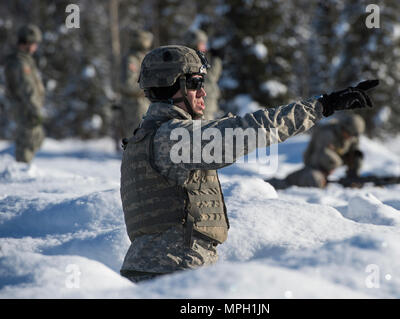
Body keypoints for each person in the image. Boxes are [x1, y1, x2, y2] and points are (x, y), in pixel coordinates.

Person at [119, 45, 378, 283]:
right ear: (169, 85)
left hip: (157, 271)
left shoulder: (148, 136)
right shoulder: (174, 139)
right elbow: (254, 129)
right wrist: (323, 105)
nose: (203, 91)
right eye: (195, 82)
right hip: (174, 272)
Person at [266, 113, 366, 189]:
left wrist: (354, 172)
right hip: (314, 168)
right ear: (343, 128)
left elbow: (355, 154)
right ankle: (263, 185)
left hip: (328, 172)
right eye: (349, 133)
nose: (350, 137)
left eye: (353, 135)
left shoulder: (351, 137)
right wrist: (342, 160)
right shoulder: (327, 133)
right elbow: (324, 156)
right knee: (301, 181)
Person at [4, 24, 45, 163]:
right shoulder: (20, 63)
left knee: (32, 140)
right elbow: (28, 89)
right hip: (26, 109)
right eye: (35, 44)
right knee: (27, 143)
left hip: (26, 108)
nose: (36, 47)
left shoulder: (23, 60)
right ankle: (22, 172)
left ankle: (23, 169)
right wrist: (35, 110)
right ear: (27, 43)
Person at [118, 29, 153, 138]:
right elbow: (128, 84)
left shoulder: (142, 56)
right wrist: (150, 89)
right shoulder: (132, 59)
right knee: (138, 138)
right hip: (135, 106)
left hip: (145, 104)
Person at [183, 29, 223, 120]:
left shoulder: (199, 58)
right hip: (202, 103)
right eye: (202, 43)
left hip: (205, 102)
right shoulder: (193, 60)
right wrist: (217, 61)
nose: (205, 47)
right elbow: (210, 78)